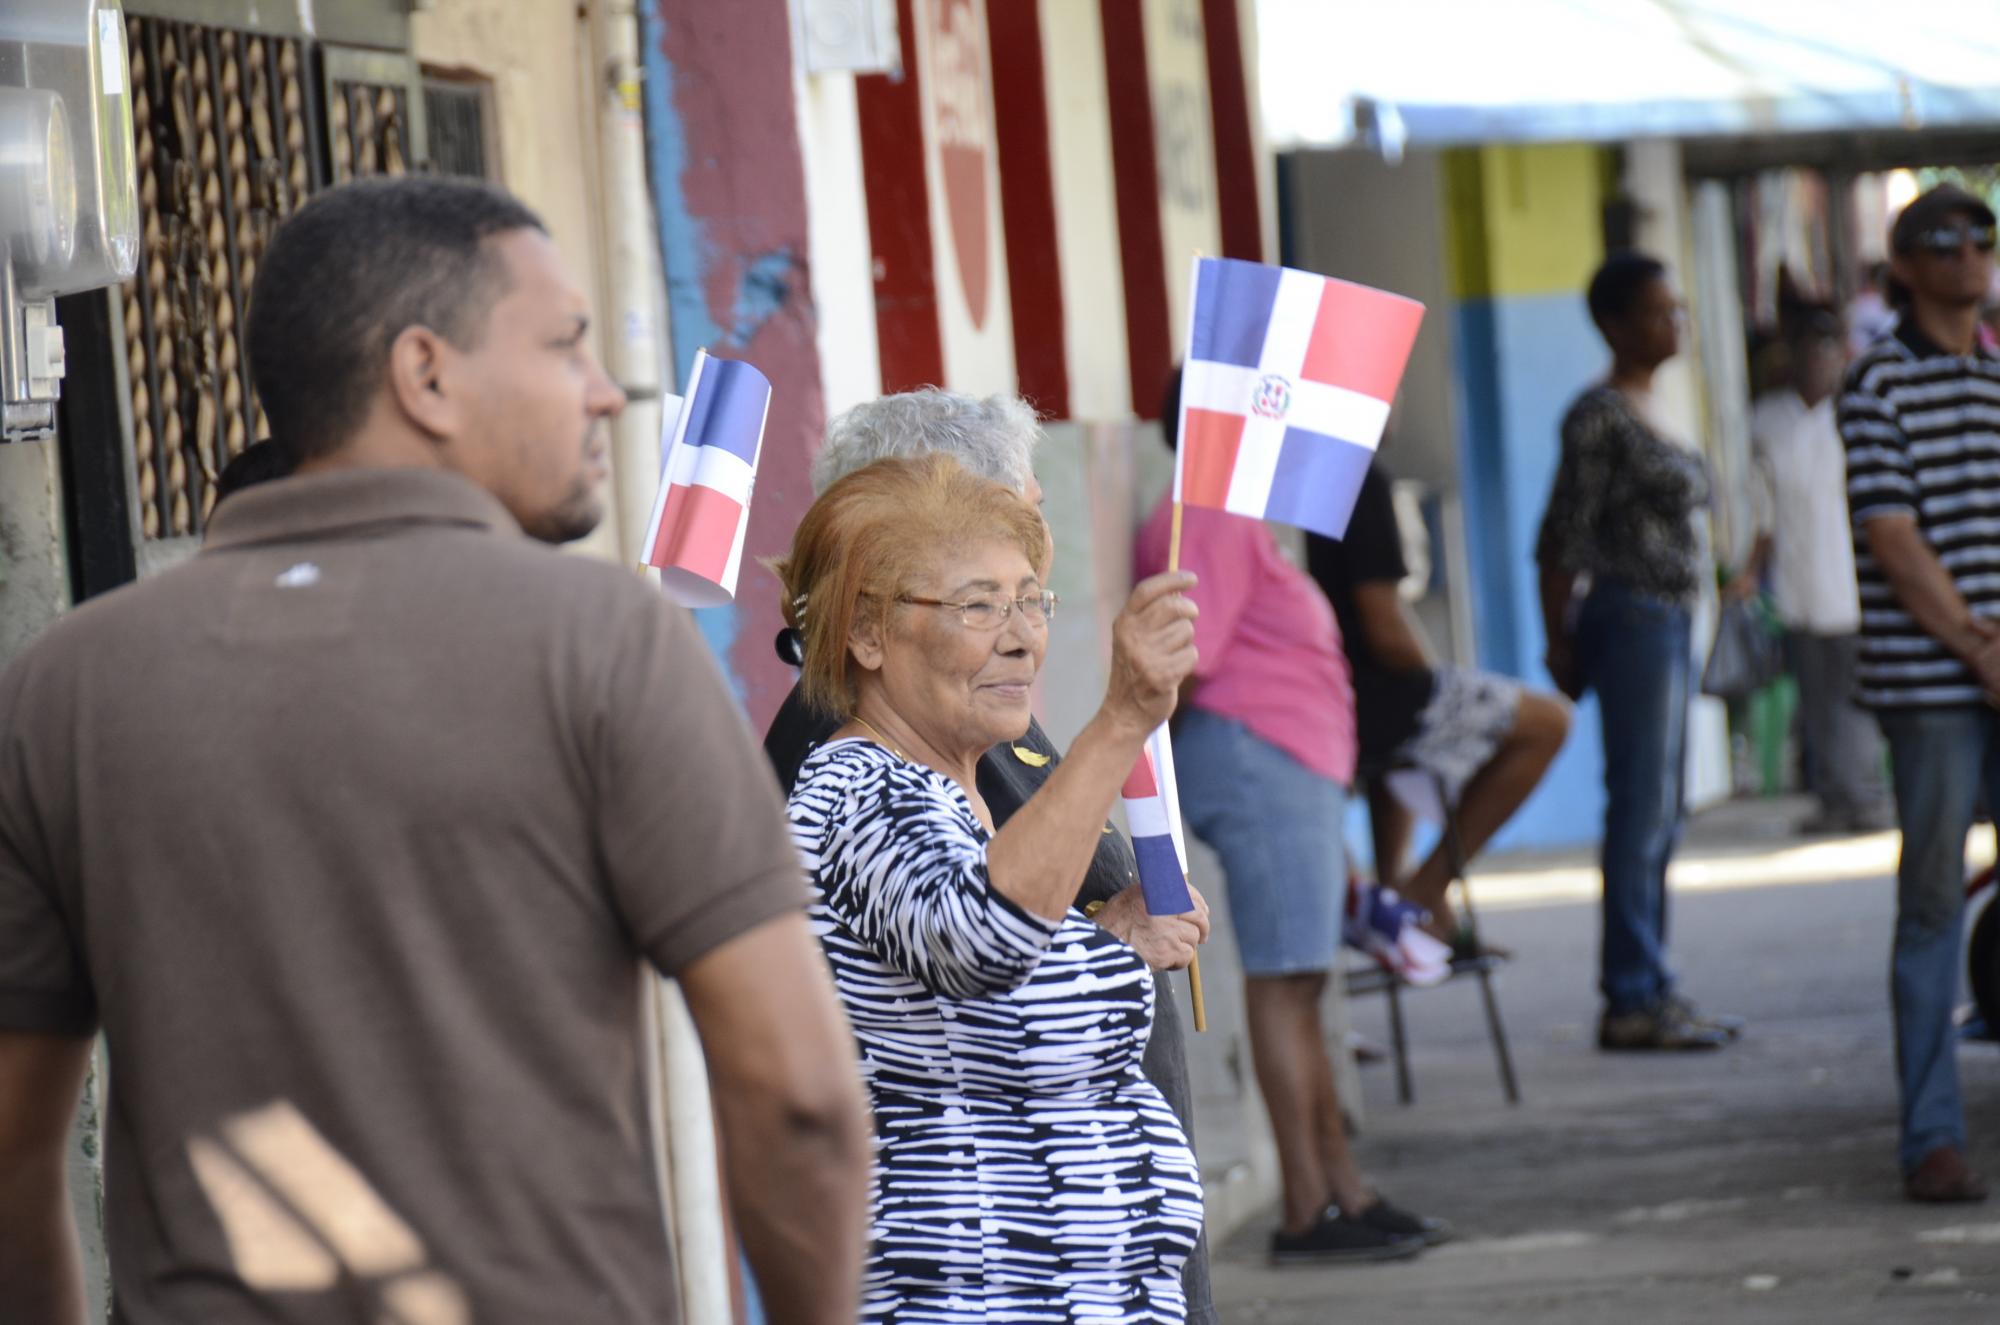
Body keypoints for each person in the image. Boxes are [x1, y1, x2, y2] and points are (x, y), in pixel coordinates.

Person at [0, 176, 872, 1323]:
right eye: (564, 344)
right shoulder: (605, 643)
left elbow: (12, 1149)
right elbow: (799, 1096)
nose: (603, 391)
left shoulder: (61, 684)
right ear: (424, 374)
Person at [764, 388, 1220, 1324]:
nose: (1021, 638)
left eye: (1029, 601)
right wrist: (1121, 719)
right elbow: (980, 941)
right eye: (979, 607)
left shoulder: (955, 778)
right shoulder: (855, 787)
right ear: (866, 631)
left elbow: (988, 999)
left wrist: (1110, 938)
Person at [1137, 370, 1443, 1265]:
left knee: (1304, 983)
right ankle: (1309, 1208)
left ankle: (1344, 1188)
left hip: (1283, 767)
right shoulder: (1204, 511)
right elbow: (1189, 658)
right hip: (1258, 762)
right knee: (1283, 981)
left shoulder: (1224, 514)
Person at [1536, 252, 1742, 1053]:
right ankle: (1630, 994)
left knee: (1665, 807)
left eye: (1677, 310)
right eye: (1658, 312)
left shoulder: (1657, 403)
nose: (1674, 324)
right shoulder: (1598, 416)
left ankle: (1653, 982)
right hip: (1630, 618)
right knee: (1641, 807)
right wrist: (1559, 641)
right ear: (1615, 324)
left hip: (1672, 620)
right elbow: (1560, 538)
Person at [1839, 183, 2000, 1204]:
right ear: (1902, 266)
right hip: (1930, 685)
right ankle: (1930, 1136)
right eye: (1944, 241)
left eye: (1982, 236)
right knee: (1934, 901)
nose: (1969, 254)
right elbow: (1893, 541)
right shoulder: (1875, 385)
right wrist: (1981, 649)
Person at [1305, 450, 1571, 944]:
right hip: (1362, 702)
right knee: (1550, 722)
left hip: (1329, 700)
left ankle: (1397, 894)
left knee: (1409, 734)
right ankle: (1425, 891)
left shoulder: (1305, 473)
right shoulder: (1356, 474)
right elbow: (1384, 628)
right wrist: (1433, 681)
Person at [1750, 307, 1891, 834]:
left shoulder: (1859, 414)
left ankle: (1865, 797)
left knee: (1857, 696)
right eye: (1809, 350)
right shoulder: (1768, 419)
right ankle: (1834, 798)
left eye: (1828, 351)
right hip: (1796, 582)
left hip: (1854, 582)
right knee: (1815, 699)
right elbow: (1760, 506)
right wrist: (1751, 570)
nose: (1818, 361)